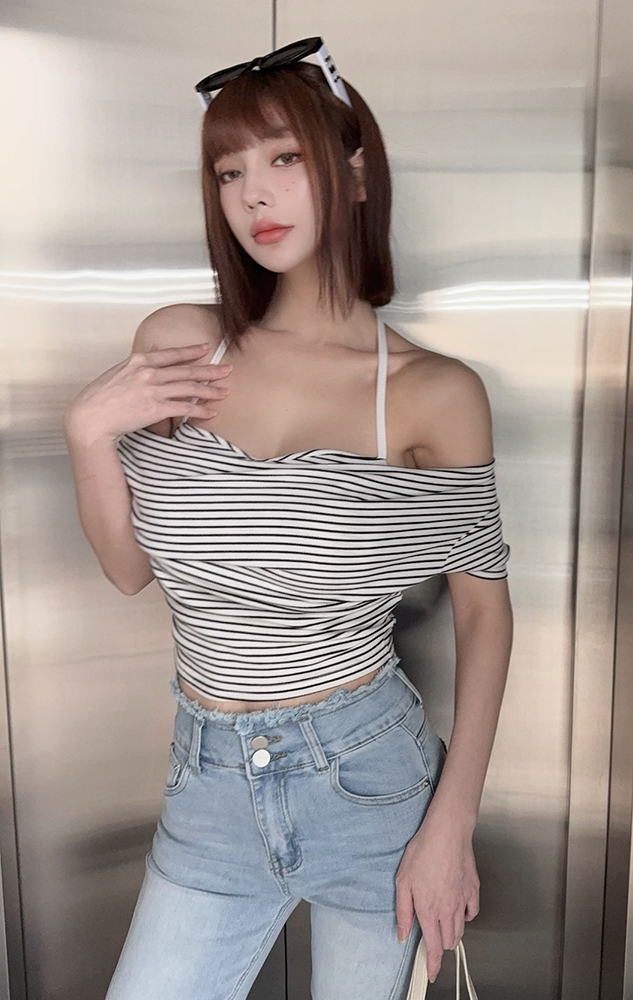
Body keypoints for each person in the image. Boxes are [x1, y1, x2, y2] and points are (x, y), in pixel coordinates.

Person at [62, 37, 513, 1000]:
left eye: (285, 158)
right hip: (207, 783)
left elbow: (483, 610)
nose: (254, 195)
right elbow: (131, 570)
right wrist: (86, 432)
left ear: (356, 174)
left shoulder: (433, 393)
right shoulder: (183, 347)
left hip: (370, 781)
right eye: (229, 172)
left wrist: (451, 825)